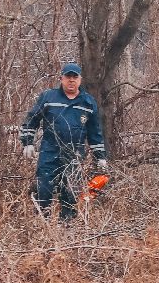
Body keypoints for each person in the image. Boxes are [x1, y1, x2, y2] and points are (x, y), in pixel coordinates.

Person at [20, 62, 106, 221]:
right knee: (44, 189)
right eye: (68, 77)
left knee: (70, 193)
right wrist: (28, 142)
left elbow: (95, 132)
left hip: (74, 154)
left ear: (80, 79)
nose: (71, 80)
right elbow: (31, 119)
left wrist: (100, 156)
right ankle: (41, 226)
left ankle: (67, 230)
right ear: (61, 78)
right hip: (49, 151)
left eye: (75, 77)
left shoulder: (88, 102)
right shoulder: (48, 97)